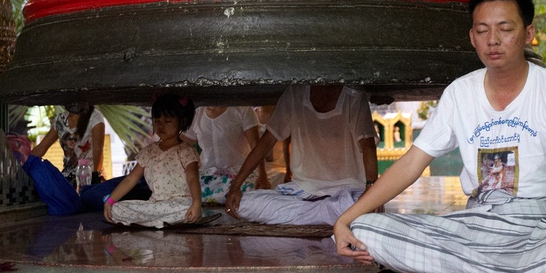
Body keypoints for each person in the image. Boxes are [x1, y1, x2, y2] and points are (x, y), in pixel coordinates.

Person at [334, 0, 546, 273]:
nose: (492, 40)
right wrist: (345, 219)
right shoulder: (460, 92)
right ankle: (506, 270)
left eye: (505, 29)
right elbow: (412, 163)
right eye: (482, 31)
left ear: (529, 33)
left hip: (538, 226)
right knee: (366, 228)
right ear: (472, 37)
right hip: (476, 223)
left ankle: (469, 266)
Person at [225, 84, 378, 225]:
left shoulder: (353, 95)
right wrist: (236, 186)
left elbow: (368, 147)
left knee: (361, 203)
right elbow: (266, 142)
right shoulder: (295, 93)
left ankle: (319, 213)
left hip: (348, 189)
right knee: (243, 204)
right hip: (305, 190)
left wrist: (371, 191)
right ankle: (330, 213)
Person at [103, 94, 202, 228]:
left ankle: (151, 223)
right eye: (157, 121)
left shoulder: (186, 152)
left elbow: (192, 178)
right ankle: (158, 223)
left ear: (182, 122)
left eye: (167, 121)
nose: (161, 126)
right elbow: (131, 179)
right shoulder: (148, 152)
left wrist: (196, 203)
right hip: (154, 205)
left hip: (180, 204)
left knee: (185, 212)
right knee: (116, 209)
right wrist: (110, 201)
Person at [181, 106, 271, 204]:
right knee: (189, 198)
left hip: (239, 174)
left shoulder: (242, 110)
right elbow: (183, 145)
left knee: (247, 200)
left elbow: (256, 146)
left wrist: (262, 175)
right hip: (207, 175)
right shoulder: (197, 114)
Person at [10, 103, 106, 187]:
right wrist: (23, 167)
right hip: (67, 178)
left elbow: (98, 151)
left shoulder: (95, 118)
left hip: (87, 178)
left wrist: (94, 178)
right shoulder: (61, 119)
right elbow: (42, 147)